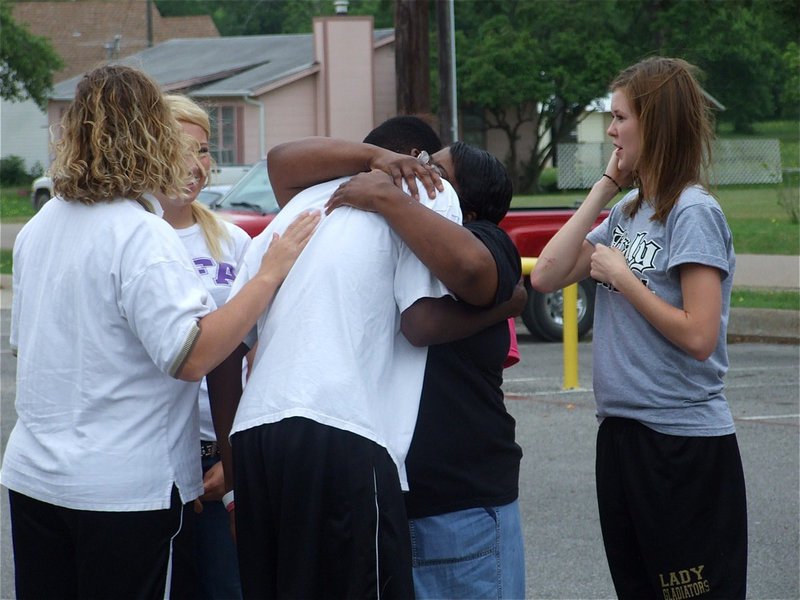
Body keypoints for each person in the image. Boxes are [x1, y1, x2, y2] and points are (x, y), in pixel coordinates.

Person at [0, 64, 318, 600]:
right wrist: (269, 274)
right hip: (120, 492)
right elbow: (190, 354)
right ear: (150, 135)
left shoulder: (41, 225)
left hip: (35, 478)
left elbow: (27, 345)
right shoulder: (140, 233)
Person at [531, 56, 747, 599]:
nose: (610, 129)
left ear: (656, 123)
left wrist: (627, 282)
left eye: (621, 117)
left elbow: (700, 336)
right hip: (622, 437)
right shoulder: (629, 210)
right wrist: (606, 185)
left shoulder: (692, 212)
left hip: (680, 446)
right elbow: (548, 275)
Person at [325, 139, 527, 598]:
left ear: (467, 210)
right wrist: (371, 159)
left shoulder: (487, 242)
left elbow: (421, 323)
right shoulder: (398, 233)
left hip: (461, 503)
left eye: (434, 170)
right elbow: (283, 162)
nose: (414, 172)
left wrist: (383, 196)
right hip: (395, 500)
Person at [160, 93, 248, 600]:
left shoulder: (233, 242)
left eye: (205, 150)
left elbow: (258, 350)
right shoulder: (136, 238)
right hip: (155, 460)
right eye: (181, 148)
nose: (197, 166)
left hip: (220, 461)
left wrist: (232, 464)